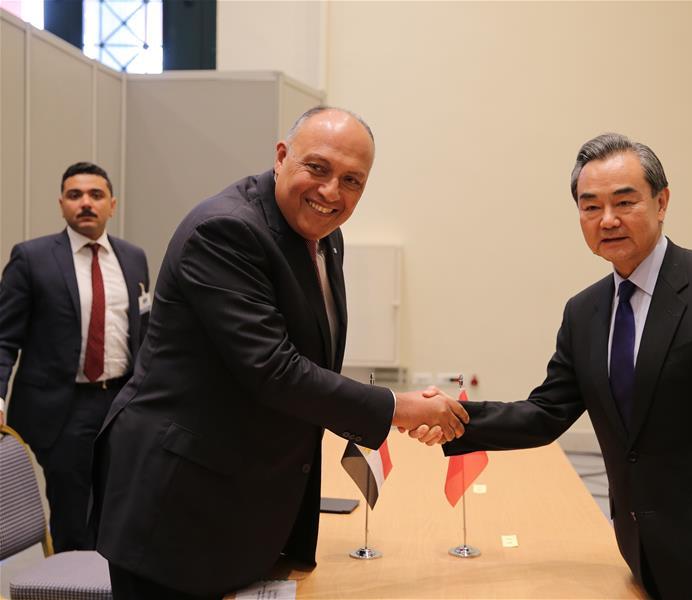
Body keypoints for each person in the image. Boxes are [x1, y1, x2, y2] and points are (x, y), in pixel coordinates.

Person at [91, 106, 469, 600]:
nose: (332, 192)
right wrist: (400, 409)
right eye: (318, 168)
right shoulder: (225, 231)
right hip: (178, 507)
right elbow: (274, 371)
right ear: (281, 156)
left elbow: (310, 362)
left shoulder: (323, 234)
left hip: (247, 499)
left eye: (352, 180)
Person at [426, 133, 692, 599]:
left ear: (662, 201)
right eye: (590, 207)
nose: (607, 220)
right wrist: (452, 418)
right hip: (641, 550)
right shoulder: (584, 312)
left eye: (624, 202)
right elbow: (546, 412)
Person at [0, 162, 149, 551]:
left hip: (120, 404)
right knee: (72, 514)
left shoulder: (134, 259)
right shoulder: (32, 258)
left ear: (112, 205)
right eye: (75, 195)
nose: (86, 203)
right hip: (62, 409)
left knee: (117, 508)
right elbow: (4, 338)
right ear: (61, 203)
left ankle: (109, 584)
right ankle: (71, 586)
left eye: (95, 195)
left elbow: (145, 335)